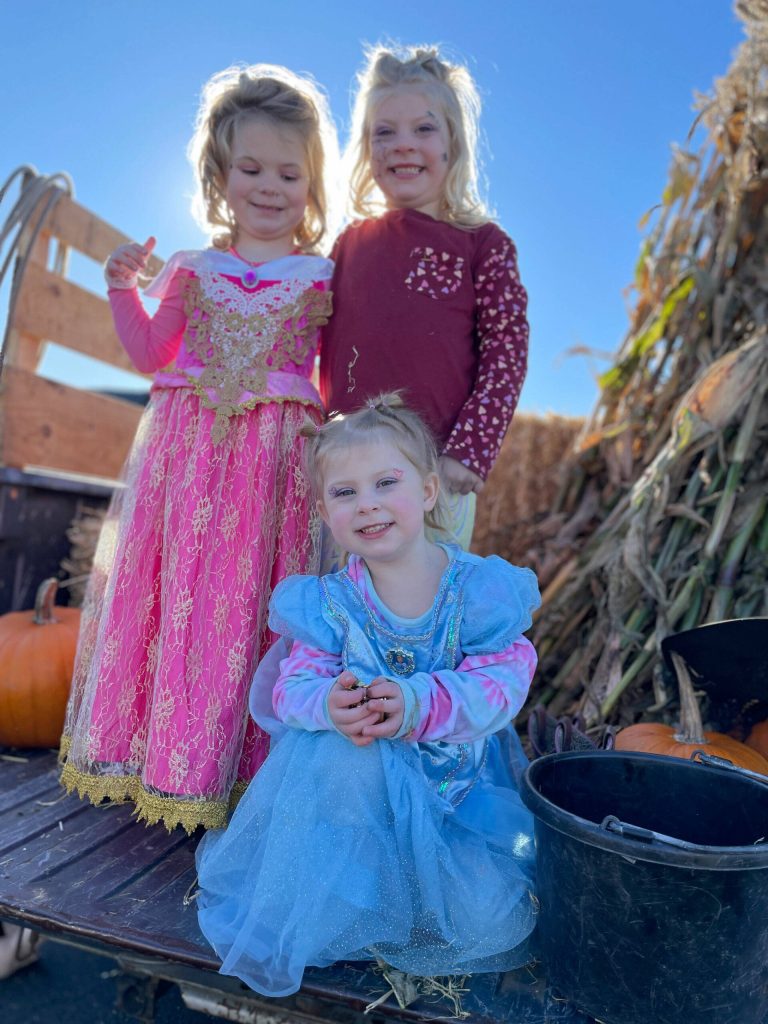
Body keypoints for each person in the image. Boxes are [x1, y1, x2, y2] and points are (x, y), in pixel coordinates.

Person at [59, 64, 338, 833]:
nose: (269, 186)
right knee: (174, 589)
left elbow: (339, 374)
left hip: (270, 469)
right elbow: (153, 353)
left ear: (312, 184)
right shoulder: (194, 267)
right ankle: (157, 760)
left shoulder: (322, 278)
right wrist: (123, 288)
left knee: (244, 603)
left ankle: (232, 769)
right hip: (185, 462)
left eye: (289, 173)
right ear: (219, 175)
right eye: (251, 168)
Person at [195, 393, 540, 997]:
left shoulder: (476, 592)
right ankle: (355, 896)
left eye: (386, 482)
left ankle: (423, 891)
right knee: (338, 755)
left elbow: (502, 685)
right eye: (345, 492)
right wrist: (328, 705)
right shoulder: (330, 603)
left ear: (428, 490)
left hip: (450, 790)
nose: (367, 503)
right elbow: (291, 689)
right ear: (325, 513)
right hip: (355, 803)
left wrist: (418, 703)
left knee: (485, 918)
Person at [319, 44, 530, 550]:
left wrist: (470, 450)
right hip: (347, 473)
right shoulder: (349, 244)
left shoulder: (483, 244)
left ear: (453, 143)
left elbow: (507, 350)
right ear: (366, 149)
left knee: (425, 594)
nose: (402, 145)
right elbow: (310, 338)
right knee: (338, 592)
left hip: (434, 474)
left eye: (423, 129)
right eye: (384, 132)